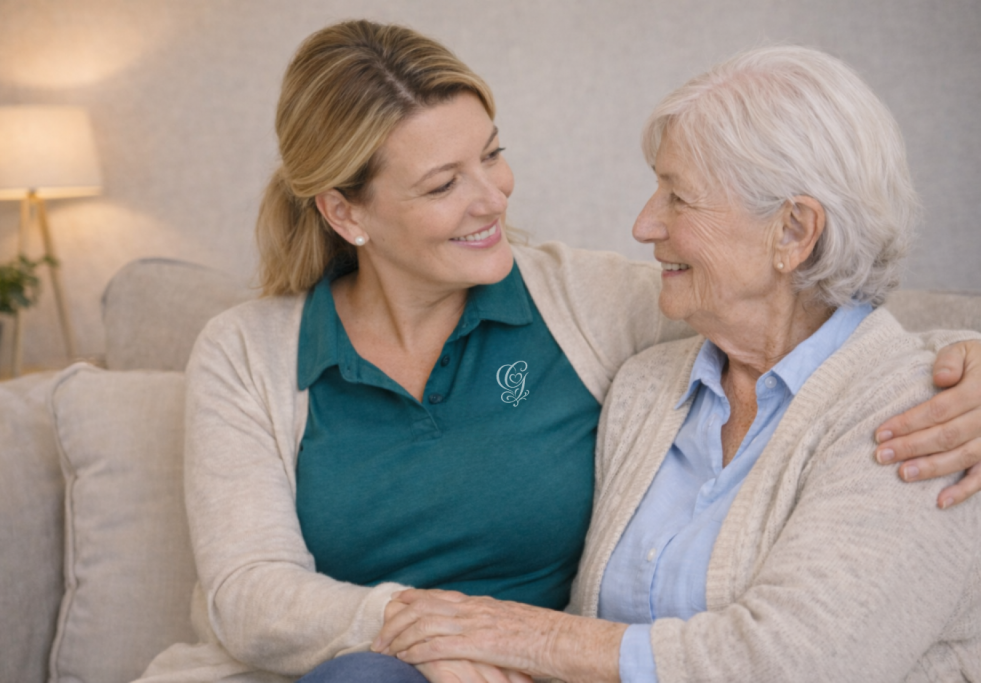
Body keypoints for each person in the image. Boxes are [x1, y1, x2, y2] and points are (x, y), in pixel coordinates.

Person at [138, 24, 981, 683]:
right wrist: (438, 634)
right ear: (346, 213)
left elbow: (815, 314)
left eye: (493, 154)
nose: (492, 196)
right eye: (442, 184)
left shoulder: (590, 304)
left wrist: (965, 359)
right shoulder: (249, 353)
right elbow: (247, 592)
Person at [374, 45, 981, 682]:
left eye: (679, 198)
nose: (643, 224)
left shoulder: (928, 420)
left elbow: (797, 663)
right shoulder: (646, 388)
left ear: (794, 232)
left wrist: (527, 637)